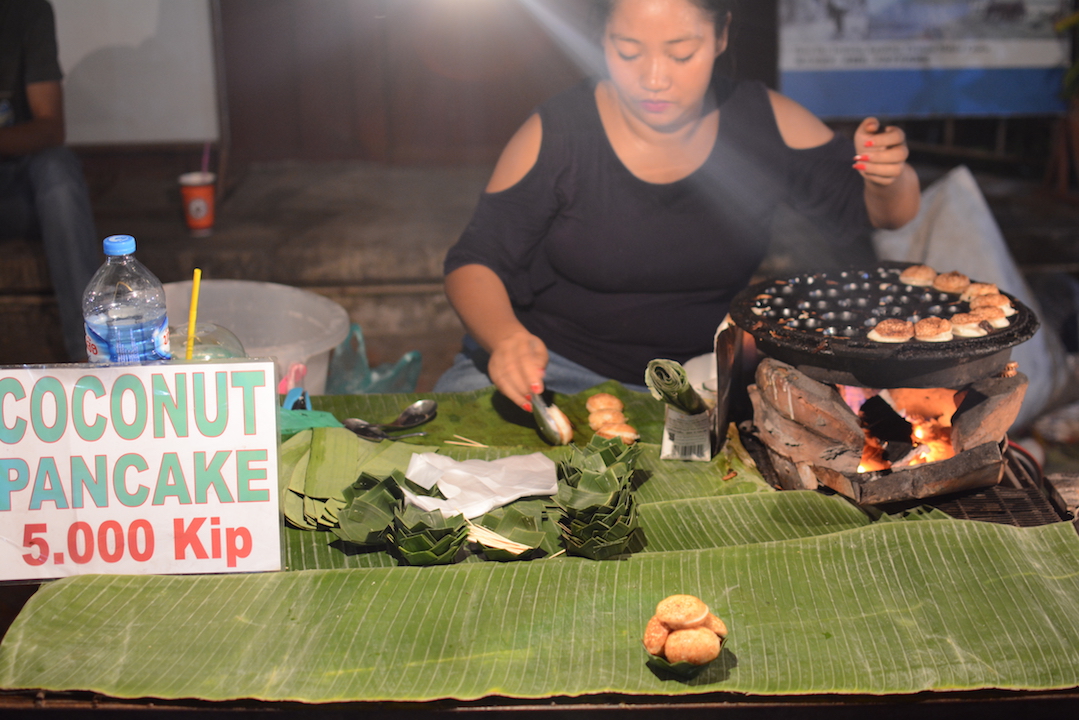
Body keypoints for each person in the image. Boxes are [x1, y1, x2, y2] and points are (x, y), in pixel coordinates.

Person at [437, 0, 920, 412]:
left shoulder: (763, 120)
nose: (653, 78)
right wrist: (505, 341)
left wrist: (888, 176)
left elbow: (881, 213)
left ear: (721, 35)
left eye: (681, 53)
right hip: (555, 370)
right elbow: (475, 261)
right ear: (602, 40)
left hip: (700, 379)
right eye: (628, 52)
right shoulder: (559, 132)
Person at [0, 0, 100, 361]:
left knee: (58, 171)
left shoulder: (24, 11)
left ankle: (90, 358)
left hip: (17, 190)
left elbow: (50, 127)